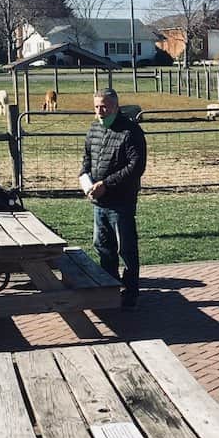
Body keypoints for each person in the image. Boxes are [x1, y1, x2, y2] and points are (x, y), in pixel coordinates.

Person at [81, 88, 147, 310]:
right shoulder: (94, 129)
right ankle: (109, 288)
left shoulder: (130, 132)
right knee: (103, 246)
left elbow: (136, 166)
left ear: (116, 107)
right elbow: (87, 157)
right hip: (99, 202)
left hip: (121, 202)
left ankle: (130, 293)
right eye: (97, 107)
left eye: (105, 106)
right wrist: (85, 178)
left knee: (126, 249)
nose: (100, 111)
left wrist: (106, 184)